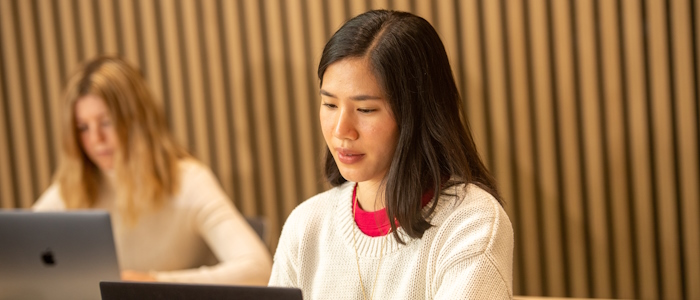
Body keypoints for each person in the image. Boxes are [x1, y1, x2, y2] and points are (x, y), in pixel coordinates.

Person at [268, 10, 513, 299]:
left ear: (417, 113)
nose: (341, 130)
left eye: (366, 110)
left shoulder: (470, 221)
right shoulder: (307, 224)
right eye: (330, 105)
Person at [33, 56, 272, 285]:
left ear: (138, 120)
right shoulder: (73, 187)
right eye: (83, 128)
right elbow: (18, 255)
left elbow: (258, 269)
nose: (96, 140)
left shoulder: (188, 181)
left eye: (106, 122)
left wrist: (153, 283)